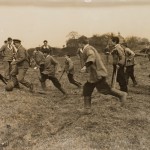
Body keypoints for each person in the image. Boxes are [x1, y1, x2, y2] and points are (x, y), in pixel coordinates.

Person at [78, 36, 127, 114]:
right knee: (87, 88)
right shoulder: (86, 48)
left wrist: (85, 66)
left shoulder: (88, 49)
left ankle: (121, 95)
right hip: (94, 74)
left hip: (98, 74)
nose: (78, 45)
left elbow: (91, 56)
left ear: (81, 43)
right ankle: (87, 109)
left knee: (104, 90)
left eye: (79, 43)